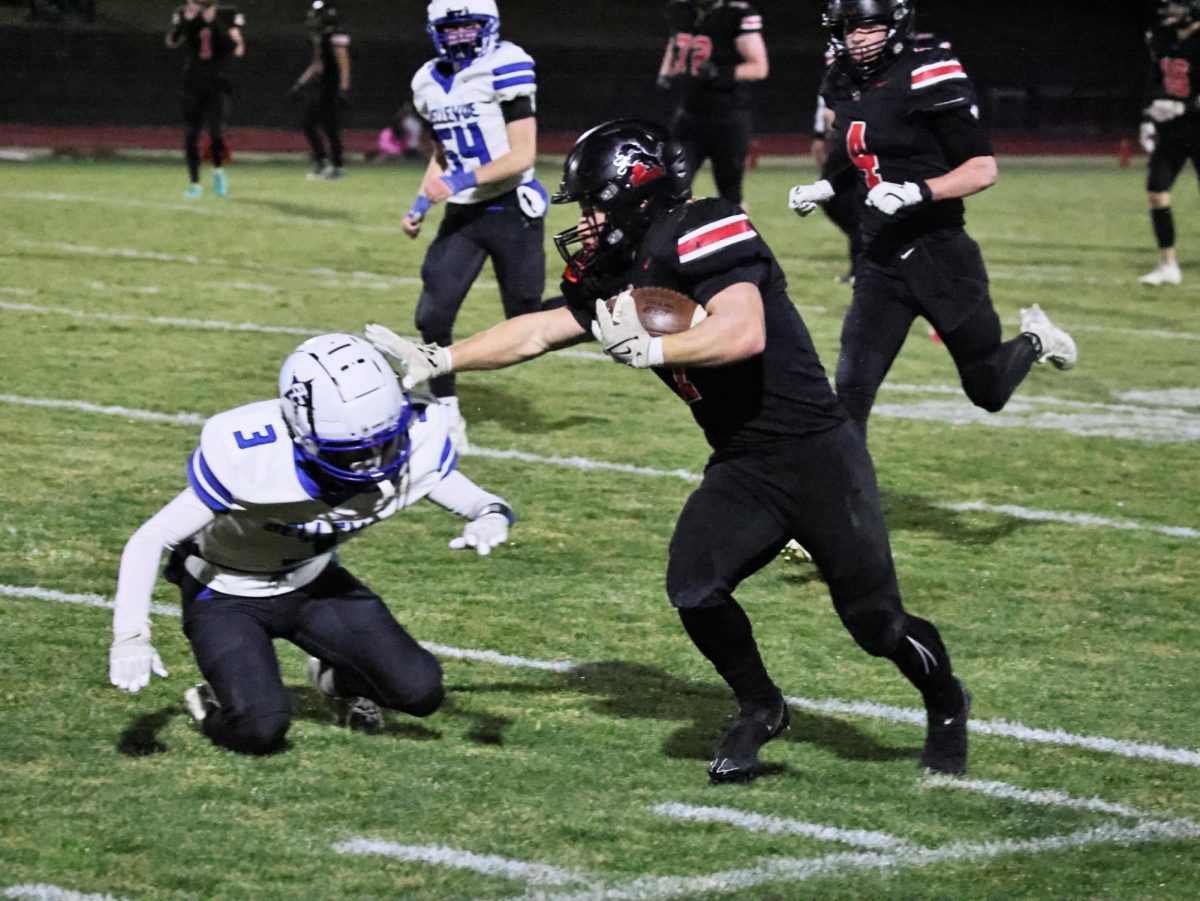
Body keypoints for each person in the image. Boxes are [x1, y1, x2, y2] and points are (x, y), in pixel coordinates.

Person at [366, 120, 973, 783]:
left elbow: (742, 331)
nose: (588, 222)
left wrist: (656, 348)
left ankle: (945, 701)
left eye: (594, 203)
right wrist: (440, 357)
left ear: (635, 191)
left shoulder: (704, 225)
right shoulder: (616, 268)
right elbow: (540, 329)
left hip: (817, 456)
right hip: (744, 463)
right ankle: (761, 704)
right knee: (693, 584)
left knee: (874, 623)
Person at [107, 333, 516, 755]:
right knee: (260, 730)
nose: (374, 464)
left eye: (384, 443)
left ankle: (331, 678)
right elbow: (152, 536)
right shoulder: (254, 455)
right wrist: (130, 634)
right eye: (354, 452)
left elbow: (468, 494)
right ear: (302, 434)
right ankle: (210, 702)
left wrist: (490, 515)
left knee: (420, 691)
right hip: (226, 592)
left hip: (314, 582)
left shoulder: (414, 441)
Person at [786, 0, 1077, 435]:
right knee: (848, 400)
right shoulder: (843, 82)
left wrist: (917, 191)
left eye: (867, 26)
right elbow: (866, 155)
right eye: (847, 28)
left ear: (896, 25)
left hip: (941, 257)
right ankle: (844, 504)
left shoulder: (927, 73)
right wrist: (826, 187)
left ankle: (1037, 340)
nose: (856, 37)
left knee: (988, 389)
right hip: (879, 262)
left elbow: (983, 169)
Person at [403, 0, 547, 451]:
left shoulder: (507, 64)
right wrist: (421, 203)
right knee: (433, 314)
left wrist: (459, 180)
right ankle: (446, 412)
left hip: (509, 206)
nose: (461, 35)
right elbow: (444, 152)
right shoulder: (426, 81)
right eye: (452, 27)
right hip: (464, 212)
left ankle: (604, 299)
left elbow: (523, 154)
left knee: (525, 319)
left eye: (470, 25)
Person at [656, 0, 768, 209]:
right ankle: (675, 239)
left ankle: (736, 239)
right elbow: (676, 42)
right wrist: (666, 72)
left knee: (730, 195)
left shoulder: (737, 14)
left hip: (728, 118)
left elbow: (759, 67)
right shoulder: (681, 10)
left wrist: (721, 73)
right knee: (671, 187)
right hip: (689, 116)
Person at [1138, 0, 1200, 285]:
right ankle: (1169, 265)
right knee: (1157, 190)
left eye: (1176, 5)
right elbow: (1154, 79)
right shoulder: (1164, 38)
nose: (1170, 11)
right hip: (1171, 130)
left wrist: (1185, 108)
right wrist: (1148, 116)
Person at [165, 0, 245, 199]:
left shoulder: (226, 14)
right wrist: (186, 21)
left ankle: (218, 170)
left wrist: (213, 23)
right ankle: (195, 183)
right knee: (191, 134)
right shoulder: (185, 12)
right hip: (192, 82)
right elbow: (171, 41)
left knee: (216, 132)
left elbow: (236, 48)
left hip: (217, 81)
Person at [290, 0, 351, 181]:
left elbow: (344, 64)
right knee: (308, 124)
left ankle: (337, 166)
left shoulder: (336, 36)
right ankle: (322, 162)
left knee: (331, 128)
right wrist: (299, 84)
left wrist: (343, 89)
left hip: (332, 86)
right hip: (322, 86)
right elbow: (317, 64)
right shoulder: (321, 36)